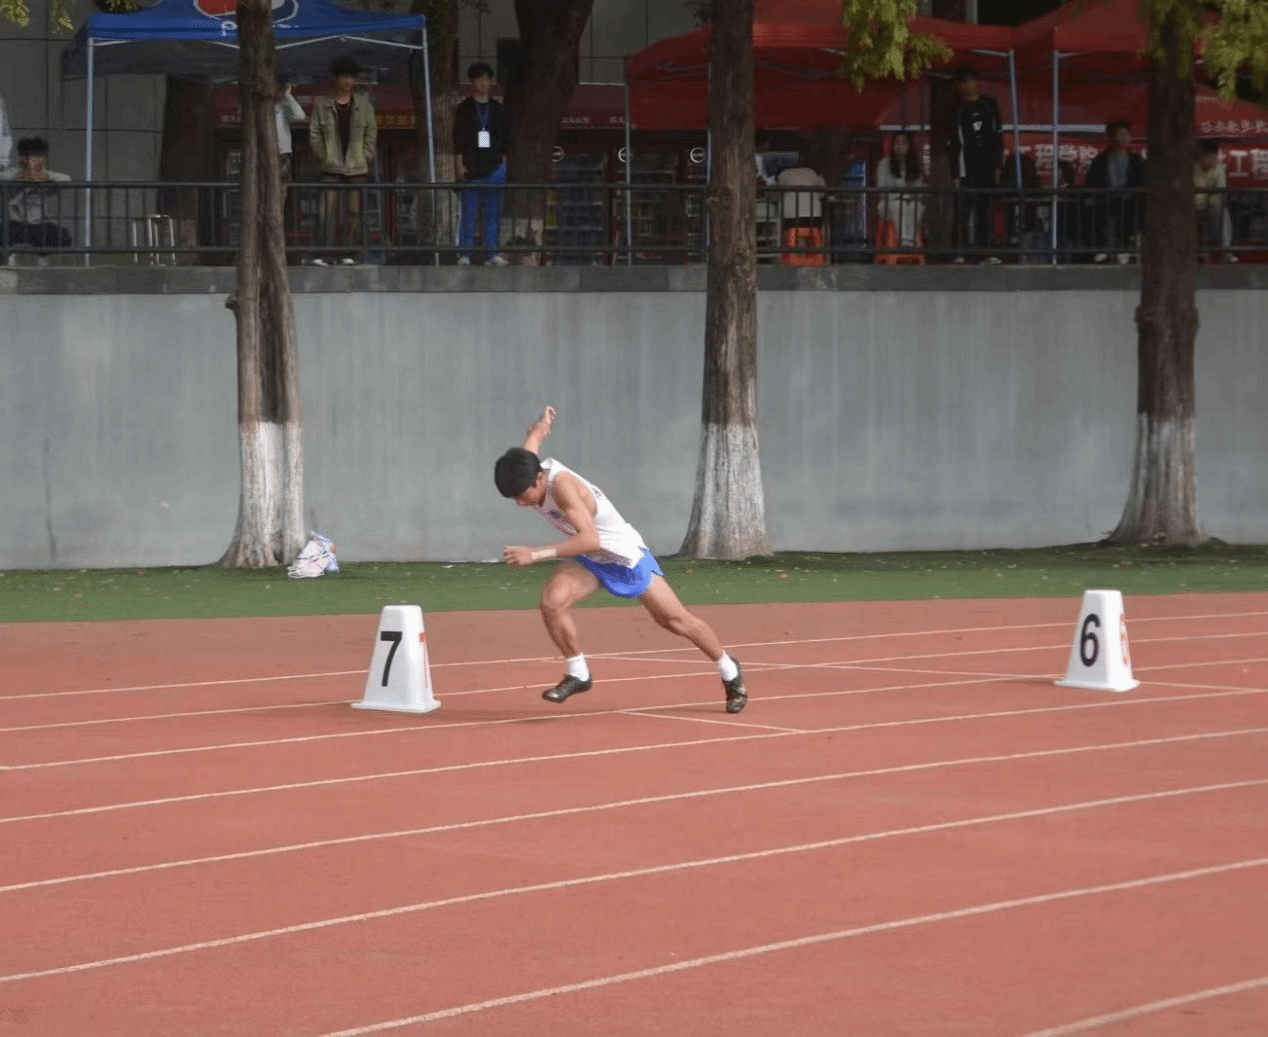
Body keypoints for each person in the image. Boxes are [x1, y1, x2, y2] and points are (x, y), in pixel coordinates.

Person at [495, 406, 748, 714]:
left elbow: (591, 539)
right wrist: (542, 423)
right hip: (590, 558)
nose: (521, 503)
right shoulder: (526, 466)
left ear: (539, 477)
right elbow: (534, 438)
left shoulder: (562, 488)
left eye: (524, 496)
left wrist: (534, 554)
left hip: (622, 556)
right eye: (515, 499)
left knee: (675, 621)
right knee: (552, 601)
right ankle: (578, 673)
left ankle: (729, 670)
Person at [308, 56, 377, 265]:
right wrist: (323, 155)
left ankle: (348, 253)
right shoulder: (322, 105)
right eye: (344, 77)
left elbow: (371, 133)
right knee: (326, 212)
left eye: (351, 77)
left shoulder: (364, 105)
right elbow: (314, 134)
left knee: (353, 212)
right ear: (335, 78)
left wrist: (365, 155)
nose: (348, 81)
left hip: (356, 167)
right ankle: (326, 254)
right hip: (330, 167)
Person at [453, 62, 513, 266]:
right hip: (471, 166)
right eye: (479, 79)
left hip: (494, 166)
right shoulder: (464, 109)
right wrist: (459, 164)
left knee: (493, 213)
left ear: (492, 82)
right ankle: (465, 253)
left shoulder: (498, 109)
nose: (483, 84)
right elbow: (458, 140)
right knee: (468, 213)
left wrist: (503, 165)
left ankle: (492, 253)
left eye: (487, 79)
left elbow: (505, 140)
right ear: (472, 82)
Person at [947, 65, 1003, 264]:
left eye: (972, 80)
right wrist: (955, 173)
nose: (969, 85)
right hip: (966, 166)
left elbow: (997, 136)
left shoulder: (989, 105)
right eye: (964, 82)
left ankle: (985, 252)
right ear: (960, 86)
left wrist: (998, 166)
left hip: (986, 165)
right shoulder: (957, 110)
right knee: (963, 208)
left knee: (984, 209)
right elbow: (954, 143)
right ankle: (959, 252)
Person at [1084, 120, 1146, 264]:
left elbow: (1142, 181)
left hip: (1130, 198)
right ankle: (1101, 247)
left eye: (1126, 134)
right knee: (1095, 210)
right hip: (1106, 197)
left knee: (1132, 210)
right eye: (1120, 134)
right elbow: (1093, 181)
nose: (1124, 137)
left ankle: (1124, 247)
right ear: (1111, 138)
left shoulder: (1136, 160)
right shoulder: (1101, 160)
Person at [2, 138, 72, 253]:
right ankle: (9, 257)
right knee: (5, 232)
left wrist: (44, 176)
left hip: (38, 223)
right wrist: (18, 177)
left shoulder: (46, 176)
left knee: (62, 235)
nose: (31, 161)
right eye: (27, 156)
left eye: (36, 156)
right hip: (14, 223)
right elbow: (4, 175)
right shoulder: (13, 173)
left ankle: (42, 258)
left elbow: (66, 179)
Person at [874, 130, 924, 264]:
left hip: (910, 202)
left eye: (903, 143)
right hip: (889, 203)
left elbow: (919, 191)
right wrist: (898, 195)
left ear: (909, 146)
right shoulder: (884, 164)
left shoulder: (915, 166)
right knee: (898, 205)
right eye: (897, 143)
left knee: (916, 206)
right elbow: (882, 190)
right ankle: (904, 241)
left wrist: (909, 196)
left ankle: (910, 241)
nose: (899, 146)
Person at [1194, 139, 1237, 263]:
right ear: (1200, 157)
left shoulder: (1218, 169)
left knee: (1222, 212)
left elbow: (1219, 193)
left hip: (1208, 207)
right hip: (1190, 208)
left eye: (1214, 156)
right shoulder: (1191, 168)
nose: (1213, 160)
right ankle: (1202, 251)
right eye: (1209, 157)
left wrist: (1211, 205)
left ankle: (1224, 251)